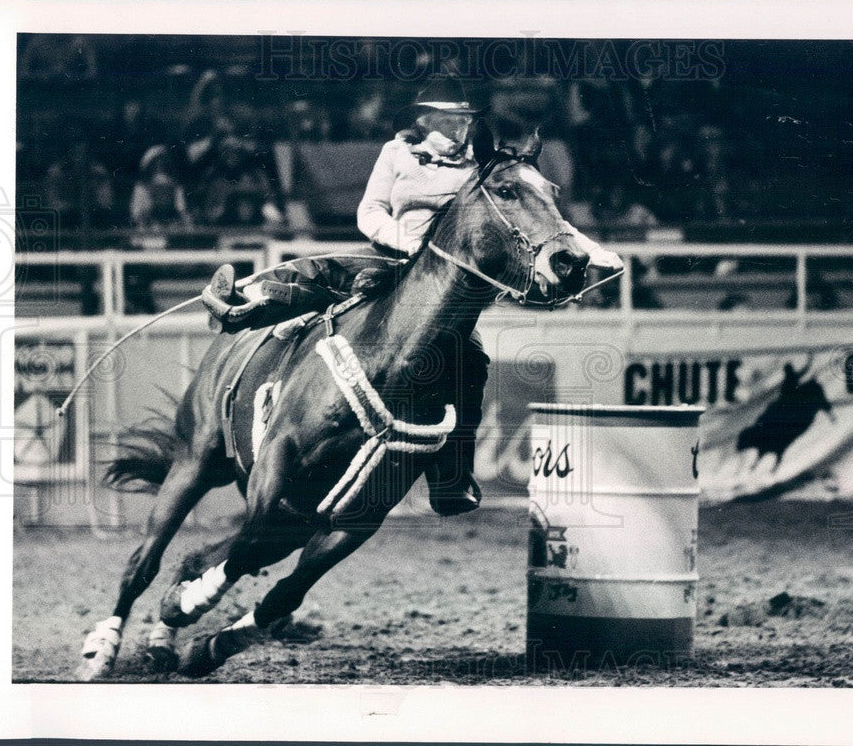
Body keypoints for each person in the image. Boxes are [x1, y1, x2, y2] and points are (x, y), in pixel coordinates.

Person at [202, 76, 622, 516]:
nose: (460, 127)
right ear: (425, 121)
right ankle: (240, 304)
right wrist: (407, 243)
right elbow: (370, 211)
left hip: (446, 281)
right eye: (450, 119)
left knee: (473, 363)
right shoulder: (396, 153)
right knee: (319, 271)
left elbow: (535, 210)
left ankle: (452, 478)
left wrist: (593, 251)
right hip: (392, 256)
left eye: (464, 119)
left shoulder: (479, 166)